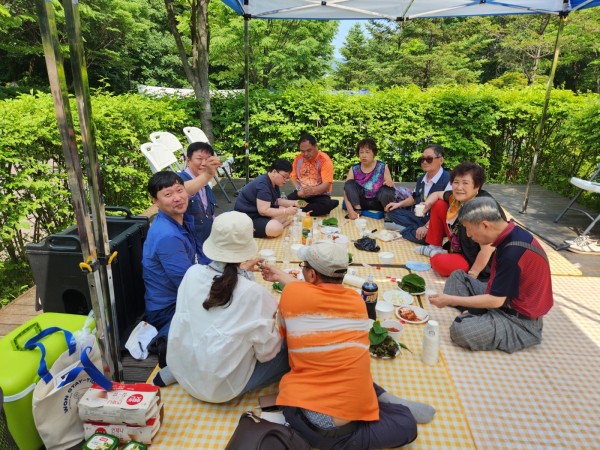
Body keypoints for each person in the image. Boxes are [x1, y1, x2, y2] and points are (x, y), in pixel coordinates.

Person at [261, 241, 433, 450]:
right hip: (343, 409)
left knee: (406, 425)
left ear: (312, 275)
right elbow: (306, 289)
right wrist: (280, 275)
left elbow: (284, 336)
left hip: (308, 418)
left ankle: (373, 412)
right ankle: (384, 399)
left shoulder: (292, 294)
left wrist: (282, 278)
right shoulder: (356, 300)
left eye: (303, 267)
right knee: (348, 363)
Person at [156, 211, 290, 400]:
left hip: (185, 367)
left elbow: (219, 288)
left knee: (215, 330)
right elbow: (267, 352)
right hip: (220, 388)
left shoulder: (192, 273)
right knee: (290, 350)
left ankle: (176, 371)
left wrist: (242, 272)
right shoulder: (253, 293)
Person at [429, 197, 554, 353]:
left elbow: (496, 300)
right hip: (503, 297)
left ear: (485, 225)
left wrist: (448, 299)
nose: (468, 235)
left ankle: (477, 315)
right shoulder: (511, 232)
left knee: (460, 330)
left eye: (468, 229)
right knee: (457, 277)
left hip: (519, 319)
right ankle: (477, 312)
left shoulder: (512, 253)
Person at [142, 171, 210, 350]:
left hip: (181, 296)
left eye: (180, 190)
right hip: (168, 309)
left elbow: (201, 256)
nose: (177, 198)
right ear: (154, 201)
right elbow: (186, 283)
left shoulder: (182, 219)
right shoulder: (167, 235)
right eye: (168, 194)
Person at [415, 162, 505, 282]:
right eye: (456, 182)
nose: (459, 187)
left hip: (476, 258)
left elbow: (488, 248)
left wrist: (472, 276)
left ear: (477, 187)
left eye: (465, 183)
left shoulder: (482, 208)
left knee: (439, 263)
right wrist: (427, 204)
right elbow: (437, 194)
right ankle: (435, 247)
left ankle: (439, 255)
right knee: (439, 204)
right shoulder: (456, 198)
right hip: (461, 243)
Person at [384, 144, 450, 243]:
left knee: (424, 237)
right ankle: (414, 231)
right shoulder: (422, 178)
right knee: (392, 212)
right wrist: (398, 204)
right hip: (421, 218)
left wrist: (427, 227)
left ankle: (407, 232)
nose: (424, 162)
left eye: (429, 159)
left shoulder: (449, 180)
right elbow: (414, 197)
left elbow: (447, 212)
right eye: (422, 159)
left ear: (441, 160)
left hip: (438, 222)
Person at [234, 158, 300, 238]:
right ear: (274, 172)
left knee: (282, 211)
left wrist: (294, 203)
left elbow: (276, 200)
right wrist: (286, 211)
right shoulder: (263, 185)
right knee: (276, 227)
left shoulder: (272, 182)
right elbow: (263, 211)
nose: (286, 180)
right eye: (284, 177)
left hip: (258, 214)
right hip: (247, 218)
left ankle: (275, 226)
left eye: (288, 178)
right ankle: (278, 227)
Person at [177, 141, 221, 246]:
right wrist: (208, 174)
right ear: (188, 160)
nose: (204, 163)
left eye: (207, 159)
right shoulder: (177, 180)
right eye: (199, 159)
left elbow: (210, 215)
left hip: (206, 244)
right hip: (189, 245)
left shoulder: (205, 182)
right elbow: (183, 191)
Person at [287, 134, 339, 216]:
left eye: (308, 150)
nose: (305, 154)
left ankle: (302, 209)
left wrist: (312, 190)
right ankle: (308, 209)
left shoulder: (324, 160)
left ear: (316, 146)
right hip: (302, 193)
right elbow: (292, 177)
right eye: (302, 151)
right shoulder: (298, 159)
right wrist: (299, 189)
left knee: (325, 206)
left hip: (319, 194)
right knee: (284, 202)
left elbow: (327, 184)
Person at [343, 138, 396, 220]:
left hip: (378, 202)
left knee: (387, 189)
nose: (364, 155)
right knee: (349, 183)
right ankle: (357, 210)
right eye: (361, 152)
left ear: (373, 153)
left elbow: (391, 186)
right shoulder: (354, 168)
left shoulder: (382, 166)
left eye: (367, 152)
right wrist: (350, 210)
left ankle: (387, 213)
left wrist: (390, 183)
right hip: (361, 202)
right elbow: (346, 190)